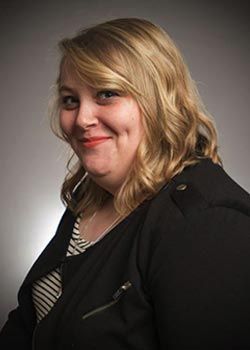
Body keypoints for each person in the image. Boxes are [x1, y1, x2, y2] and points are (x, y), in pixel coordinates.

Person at [1, 17, 250, 350]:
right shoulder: (89, 199)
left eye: (106, 94)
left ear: (158, 101)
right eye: (70, 100)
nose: (82, 119)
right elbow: (32, 322)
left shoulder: (206, 223)